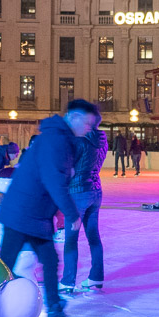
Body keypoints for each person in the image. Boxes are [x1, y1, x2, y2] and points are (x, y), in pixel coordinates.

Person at [0, 99, 99, 317]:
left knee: (45, 262)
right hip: (25, 212)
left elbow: (56, 177)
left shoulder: (61, 139)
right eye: (88, 123)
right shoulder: (56, 140)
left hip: (33, 212)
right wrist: (71, 213)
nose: (90, 129)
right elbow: (54, 179)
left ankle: (54, 316)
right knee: (5, 266)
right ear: (74, 117)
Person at [60, 113, 108, 295]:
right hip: (95, 192)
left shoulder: (78, 142)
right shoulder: (102, 141)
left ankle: (67, 282)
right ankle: (96, 277)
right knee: (93, 236)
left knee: (71, 239)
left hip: (78, 193)